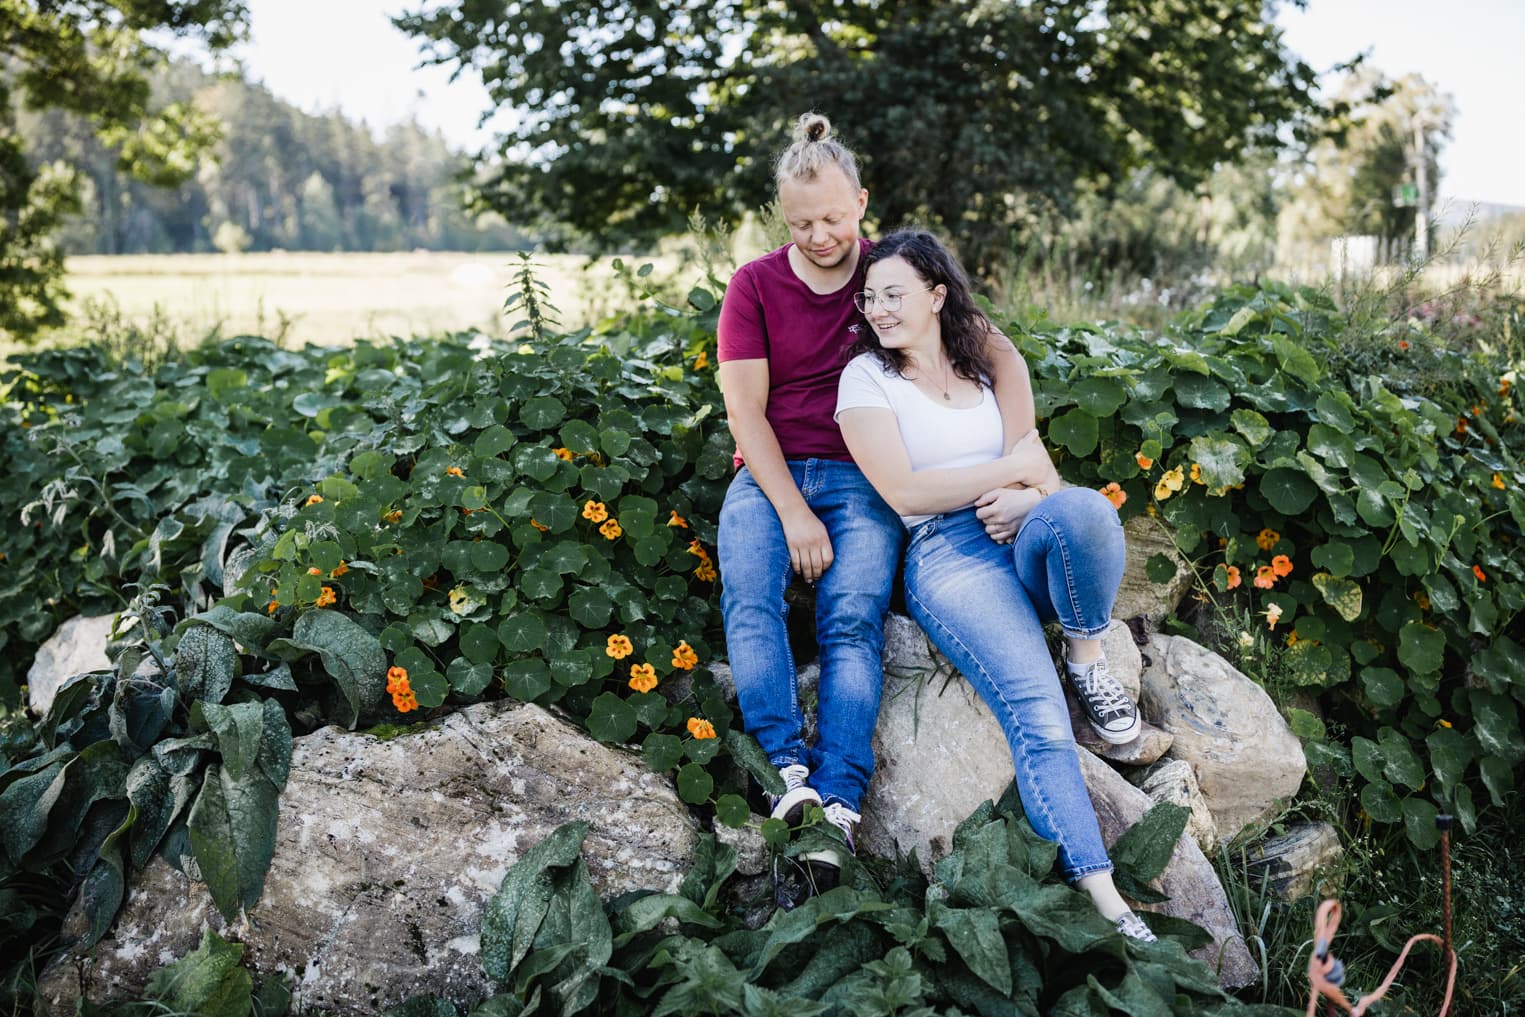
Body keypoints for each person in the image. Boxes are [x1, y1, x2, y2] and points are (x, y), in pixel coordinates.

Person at [716, 115, 1030, 882]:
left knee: (851, 619)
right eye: (799, 222)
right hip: (769, 472)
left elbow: (1000, 353)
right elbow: (744, 411)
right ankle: (786, 774)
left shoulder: (889, 274)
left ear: (860, 201)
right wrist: (791, 511)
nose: (818, 235)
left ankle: (841, 800)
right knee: (750, 595)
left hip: (863, 475)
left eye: (831, 217)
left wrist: (1019, 458)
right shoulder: (755, 285)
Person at [834, 229, 1155, 941]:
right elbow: (905, 489)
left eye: (893, 293)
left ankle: (1086, 657)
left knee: (1085, 510)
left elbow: (1045, 469)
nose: (877, 309)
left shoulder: (981, 361)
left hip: (1022, 527)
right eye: (868, 296)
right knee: (1038, 718)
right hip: (949, 556)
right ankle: (1109, 904)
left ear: (936, 294)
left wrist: (1035, 495)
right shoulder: (865, 379)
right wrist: (1013, 475)